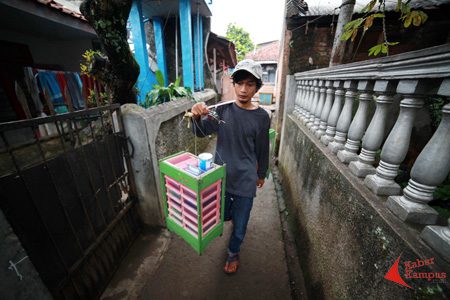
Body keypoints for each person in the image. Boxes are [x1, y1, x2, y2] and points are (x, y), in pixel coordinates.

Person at [190, 59, 270, 274]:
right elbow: (201, 131)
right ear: (233, 84)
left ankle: (233, 252)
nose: (243, 90)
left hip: (245, 180)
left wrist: (261, 173)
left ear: (257, 87)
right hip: (222, 177)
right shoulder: (222, 110)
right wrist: (196, 116)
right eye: (240, 83)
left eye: (250, 84)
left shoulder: (262, 117)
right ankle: (232, 215)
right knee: (222, 216)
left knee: (240, 225)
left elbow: (263, 148)